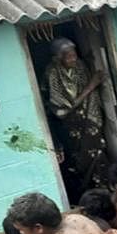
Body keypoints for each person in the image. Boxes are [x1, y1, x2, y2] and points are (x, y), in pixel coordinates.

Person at [45, 38, 104, 194]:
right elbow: (63, 107)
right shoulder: (52, 74)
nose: (73, 59)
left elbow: (89, 97)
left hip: (87, 118)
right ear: (58, 58)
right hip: (69, 125)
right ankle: (84, 194)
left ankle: (101, 189)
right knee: (78, 161)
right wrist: (91, 86)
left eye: (74, 55)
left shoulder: (80, 66)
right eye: (68, 56)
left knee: (97, 153)